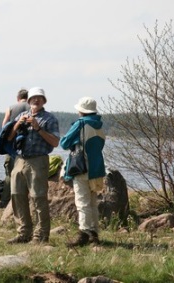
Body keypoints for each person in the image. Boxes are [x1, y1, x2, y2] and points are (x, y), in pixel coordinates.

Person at [6, 87, 60, 244]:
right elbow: (9, 138)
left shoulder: (50, 119)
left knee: (38, 197)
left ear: (44, 101)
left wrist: (38, 128)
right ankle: (24, 232)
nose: (36, 100)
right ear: (28, 100)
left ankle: (41, 235)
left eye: (39, 98)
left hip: (38, 160)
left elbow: (55, 142)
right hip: (20, 159)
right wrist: (17, 125)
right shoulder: (22, 115)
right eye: (33, 98)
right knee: (17, 196)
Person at [60, 97, 106, 247]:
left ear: (81, 111)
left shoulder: (80, 124)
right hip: (97, 168)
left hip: (81, 167)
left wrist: (74, 142)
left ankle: (84, 234)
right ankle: (94, 233)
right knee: (92, 202)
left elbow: (64, 143)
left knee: (82, 203)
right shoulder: (99, 126)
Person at [0, 89, 30, 209]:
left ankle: (5, 201)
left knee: (10, 173)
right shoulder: (32, 107)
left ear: (17, 98)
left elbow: (4, 126)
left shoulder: (11, 107)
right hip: (28, 145)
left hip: (12, 144)